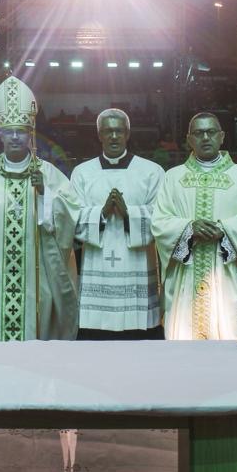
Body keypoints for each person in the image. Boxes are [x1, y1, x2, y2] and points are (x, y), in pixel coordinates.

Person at [0, 76, 80, 341]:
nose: (15, 137)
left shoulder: (47, 173)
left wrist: (45, 195)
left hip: (36, 276)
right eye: (9, 131)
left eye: (21, 131)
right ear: (1, 134)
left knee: (36, 334)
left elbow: (70, 216)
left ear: (31, 134)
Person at [153, 112, 237, 340]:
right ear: (189, 139)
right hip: (186, 274)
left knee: (229, 333)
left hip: (227, 274)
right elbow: (160, 222)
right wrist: (188, 228)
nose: (205, 138)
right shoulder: (173, 178)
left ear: (222, 136)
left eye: (211, 132)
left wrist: (225, 230)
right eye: (198, 133)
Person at [71, 109, 165, 339]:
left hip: (137, 269)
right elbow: (71, 217)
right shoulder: (82, 173)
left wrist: (129, 213)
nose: (114, 136)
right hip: (97, 267)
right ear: (99, 135)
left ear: (128, 134)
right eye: (108, 131)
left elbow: (162, 218)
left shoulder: (151, 172)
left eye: (119, 131)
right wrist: (101, 214)